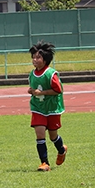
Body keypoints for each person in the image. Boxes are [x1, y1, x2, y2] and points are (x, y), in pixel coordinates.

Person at [27, 41, 67, 171]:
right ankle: (44, 163)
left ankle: (62, 149)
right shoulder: (32, 74)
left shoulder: (51, 74)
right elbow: (35, 88)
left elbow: (58, 90)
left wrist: (42, 92)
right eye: (33, 57)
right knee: (39, 134)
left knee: (53, 136)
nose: (35, 60)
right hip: (38, 108)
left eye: (38, 57)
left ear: (45, 60)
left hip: (52, 109)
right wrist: (31, 91)